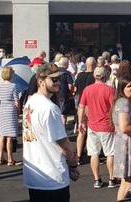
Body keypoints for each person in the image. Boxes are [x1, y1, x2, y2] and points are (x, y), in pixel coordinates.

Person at [22, 64, 78, 202]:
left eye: (58, 78)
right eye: (53, 79)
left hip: (36, 176)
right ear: (40, 82)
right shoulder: (50, 108)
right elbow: (63, 142)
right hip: (53, 177)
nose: (58, 82)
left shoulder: (30, 103)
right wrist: (73, 164)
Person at [78, 66, 117, 189]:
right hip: (107, 126)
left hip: (92, 126)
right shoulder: (110, 90)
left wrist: (81, 122)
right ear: (105, 76)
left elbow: (81, 107)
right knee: (110, 153)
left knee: (94, 153)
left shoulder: (87, 89)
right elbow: (115, 108)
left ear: (94, 76)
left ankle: (97, 179)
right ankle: (111, 178)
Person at [0, 67, 21, 166]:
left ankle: (0, 158)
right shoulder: (13, 86)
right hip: (10, 110)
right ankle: (10, 159)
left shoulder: (0, 86)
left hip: (2, 109)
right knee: (10, 137)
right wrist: (19, 111)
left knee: (2, 135)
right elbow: (16, 101)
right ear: (10, 75)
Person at [74, 57, 96, 161]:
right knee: (93, 130)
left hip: (81, 105)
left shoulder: (79, 75)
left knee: (81, 130)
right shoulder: (94, 77)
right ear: (95, 65)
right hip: (91, 106)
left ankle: (78, 155)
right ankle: (93, 153)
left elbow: (75, 89)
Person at [56, 57, 75, 126]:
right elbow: (70, 85)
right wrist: (71, 93)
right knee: (63, 113)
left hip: (54, 94)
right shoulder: (67, 73)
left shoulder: (54, 71)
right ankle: (62, 129)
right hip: (63, 94)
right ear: (66, 64)